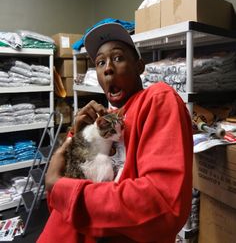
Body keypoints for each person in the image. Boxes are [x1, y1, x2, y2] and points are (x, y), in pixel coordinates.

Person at [37, 23, 193, 243]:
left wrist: (63, 188)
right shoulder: (106, 116)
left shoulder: (157, 99)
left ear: (139, 66)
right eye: (100, 62)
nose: (107, 68)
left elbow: (162, 204)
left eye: (118, 58)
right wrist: (75, 137)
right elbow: (57, 191)